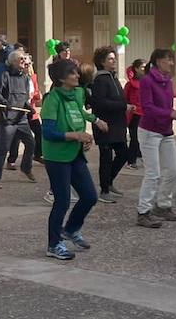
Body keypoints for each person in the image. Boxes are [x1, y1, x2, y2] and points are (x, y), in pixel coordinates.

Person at [40, 57, 102, 260]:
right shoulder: (52, 99)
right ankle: (53, 244)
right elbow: (48, 132)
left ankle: (71, 229)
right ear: (60, 78)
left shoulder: (75, 94)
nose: (77, 75)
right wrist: (75, 136)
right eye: (72, 73)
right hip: (56, 157)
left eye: (76, 72)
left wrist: (86, 136)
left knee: (90, 196)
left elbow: (78, 117)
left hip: (74, 153)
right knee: (62, 201)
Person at [135, 49, 176, 228]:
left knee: (173, 171)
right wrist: (170, 113)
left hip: (166, 131)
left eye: (172, 59)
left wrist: (171, 115)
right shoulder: (147, 81)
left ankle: (163, 205)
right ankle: (143, 212)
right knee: (153, 173)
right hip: (149, 132)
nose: (171, 63)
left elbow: (168, 104)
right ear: (157, 62)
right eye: (167, 60)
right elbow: (147, 107)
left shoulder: (168, 81)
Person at [0, 49, 36, 189]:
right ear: (13, 61)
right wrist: (4, 103)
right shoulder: (5, 75)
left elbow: (23, 98)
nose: (24, 61)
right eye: (21, 59)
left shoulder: (26, 78)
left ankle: (26, 168)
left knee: (31, 143)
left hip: (21, 119)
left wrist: (29, 107)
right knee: (3, 149)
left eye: (25, 59)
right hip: (7, 120)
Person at [90, 46, 128, 204]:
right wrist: (123, 106)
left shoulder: (112, 77)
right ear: (102, 62)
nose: (114, 61)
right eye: (110, 59)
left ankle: (108, 182)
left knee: (124, 154)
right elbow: (100, 103)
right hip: (105, 124)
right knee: (105, 158)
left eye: (114, 58)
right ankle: (104, 190)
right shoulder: (100, 79)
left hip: (117, 124)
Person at [123, 61, 145, 167]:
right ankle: (131, 161)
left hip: (146, 114)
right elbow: (125, 100)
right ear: (136, 68)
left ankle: (141, 156)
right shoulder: (130, 85)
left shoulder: (147, 82)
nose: (144, 69)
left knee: (145, 138)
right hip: (134, 114)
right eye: (142, 67)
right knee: (135, 138)